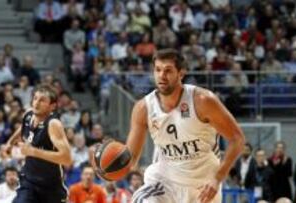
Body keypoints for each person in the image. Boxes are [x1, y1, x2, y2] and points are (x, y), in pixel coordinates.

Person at [97, 49, 245, 203]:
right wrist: (107, 168)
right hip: (165, 181)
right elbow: (131, 160)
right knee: (141, 200)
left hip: (204, 186)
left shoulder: (202, 100)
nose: (161, 75)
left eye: (168, 70)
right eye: (158, 70)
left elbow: (237, 139)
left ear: (181, 73)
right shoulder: (143, 108)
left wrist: (217, 178)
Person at [4, 85, 73, 203]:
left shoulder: (53, 124)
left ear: (52, 106)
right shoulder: (29, 115)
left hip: (51, 187)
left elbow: (67, 158)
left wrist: (33, 152)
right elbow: (23, 128)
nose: (36, 103)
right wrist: (10, 142)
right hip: (29, 182)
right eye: (35, 98)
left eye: (42, 100)